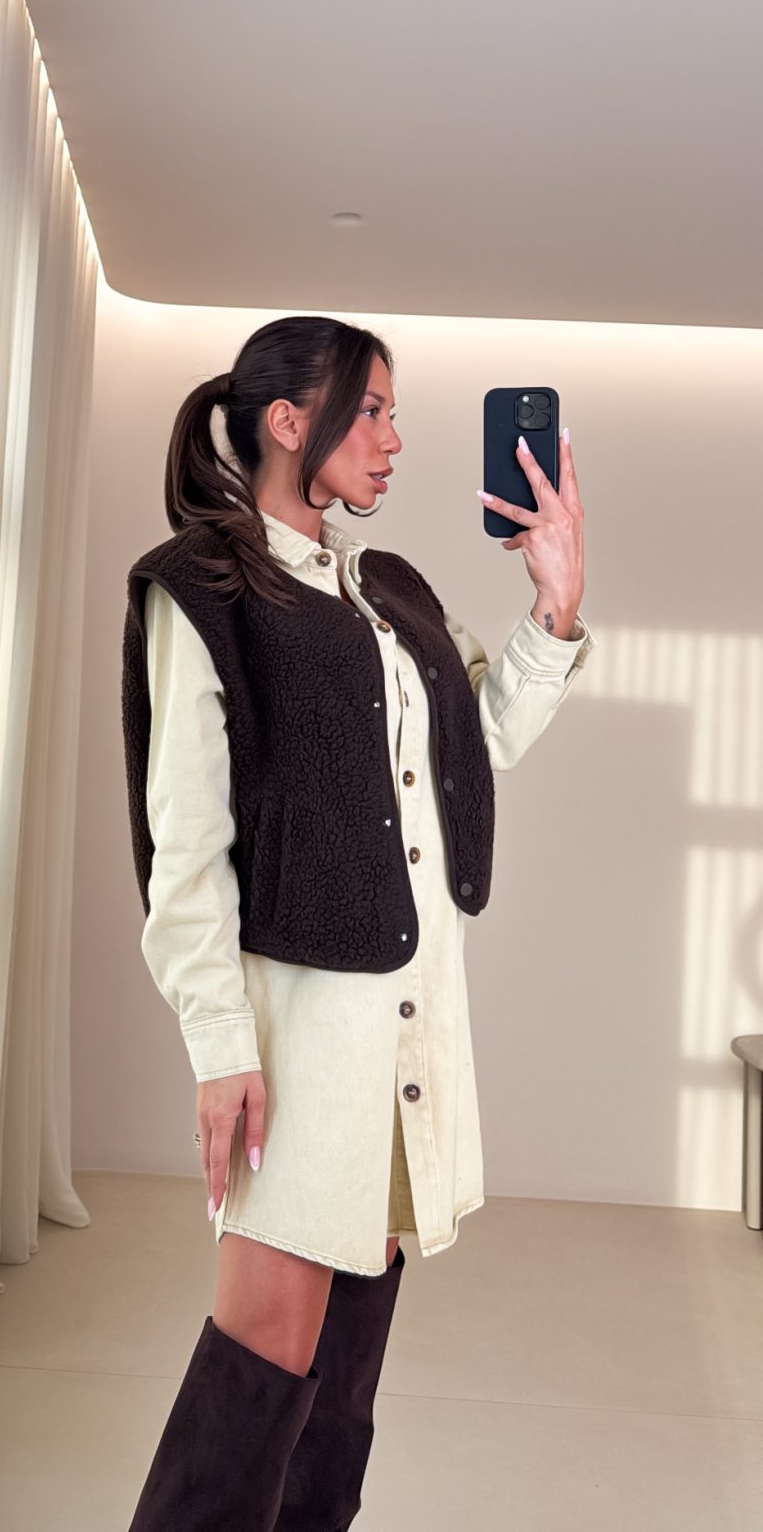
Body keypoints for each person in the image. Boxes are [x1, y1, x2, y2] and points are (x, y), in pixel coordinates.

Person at [119, 316, 593, 1530]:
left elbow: (475, 744)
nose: (393, 438)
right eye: (371, 410)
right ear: (290, 421)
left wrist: (554, 602)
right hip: (299, 1045)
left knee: (341, 1391)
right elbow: (186, 852)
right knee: (261, 1370)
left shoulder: (389, 590)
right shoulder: (206, 589)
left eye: (391, 412)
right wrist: (219, 1047)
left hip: (408, 1035)